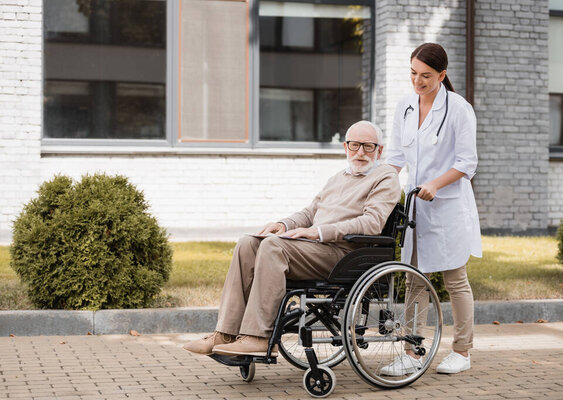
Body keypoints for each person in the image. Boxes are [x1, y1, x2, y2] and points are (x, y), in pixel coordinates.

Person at [183, 120, 400, 357]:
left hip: (345, 253)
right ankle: (225, 332)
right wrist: (283, 224)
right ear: (345, 147)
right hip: (316, 248)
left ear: (379, 150)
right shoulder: (339, 177)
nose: (360, 152)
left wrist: (317, 232)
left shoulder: (385, 177)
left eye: (368, 146)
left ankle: (259, 337)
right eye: (355, 145)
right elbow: (310, 213)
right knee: (248, 243)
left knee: (274, 247)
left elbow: (372, 223)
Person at [382, 43, 482, 375]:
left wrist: (437, 184)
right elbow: (395, 157)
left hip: (449, 206)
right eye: (413, 73)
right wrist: (375, 185)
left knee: (455, 280)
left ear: (441, 75)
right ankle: (412, 354)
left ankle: (462, 351)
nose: (418, 81)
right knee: (415, 280)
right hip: (416, 208)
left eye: (426, 75)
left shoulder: (459, 109)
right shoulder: (405, 106)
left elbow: (467, 163)